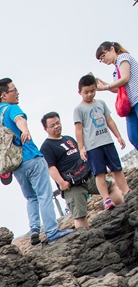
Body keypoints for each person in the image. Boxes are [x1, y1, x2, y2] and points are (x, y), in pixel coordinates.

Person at [0, 78, 73, 245]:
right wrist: (25, 130)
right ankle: (52, 231)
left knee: (31, 198)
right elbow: (20, 119)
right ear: (4, 95)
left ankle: (34, 229)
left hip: (16, 165)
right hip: (31, 158)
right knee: (44, 195)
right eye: (14, 90)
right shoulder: (12, 108)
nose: (18, 92)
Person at [40, 112, 124, 229]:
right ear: (45, 129)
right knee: (80, 216)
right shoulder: (46, 147)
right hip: (72, 186)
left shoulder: (68, 139)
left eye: (58, 123)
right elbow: (50, 167)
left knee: (111, 185)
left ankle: (122, 213)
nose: (56, 126)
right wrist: (61, 183)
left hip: (87, 176)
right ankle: (87, 240)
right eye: (52, 125)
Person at [73, 75, 129, 209]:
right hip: (93, 146)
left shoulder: (101, 103)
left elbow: (109, 120)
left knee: (117, 168)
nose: (89, 94)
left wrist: (118, 136)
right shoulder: (79, 109)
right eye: (86, 92)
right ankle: (106, 198)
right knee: (99, 173)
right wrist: (81, 148)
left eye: (92, 91)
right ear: (79, 92)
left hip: (107, 141)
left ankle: (126, 191)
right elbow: (79, 129)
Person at [95, 41, 138, 152]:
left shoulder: (123, 58)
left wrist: (106, 87)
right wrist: (104, 84)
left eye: (104, 56)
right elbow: (117, 88)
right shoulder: (115, 71)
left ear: (112, 49)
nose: (103, 60)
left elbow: (125, 78)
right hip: (131, 106)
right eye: (101, 59)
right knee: (134, 137)